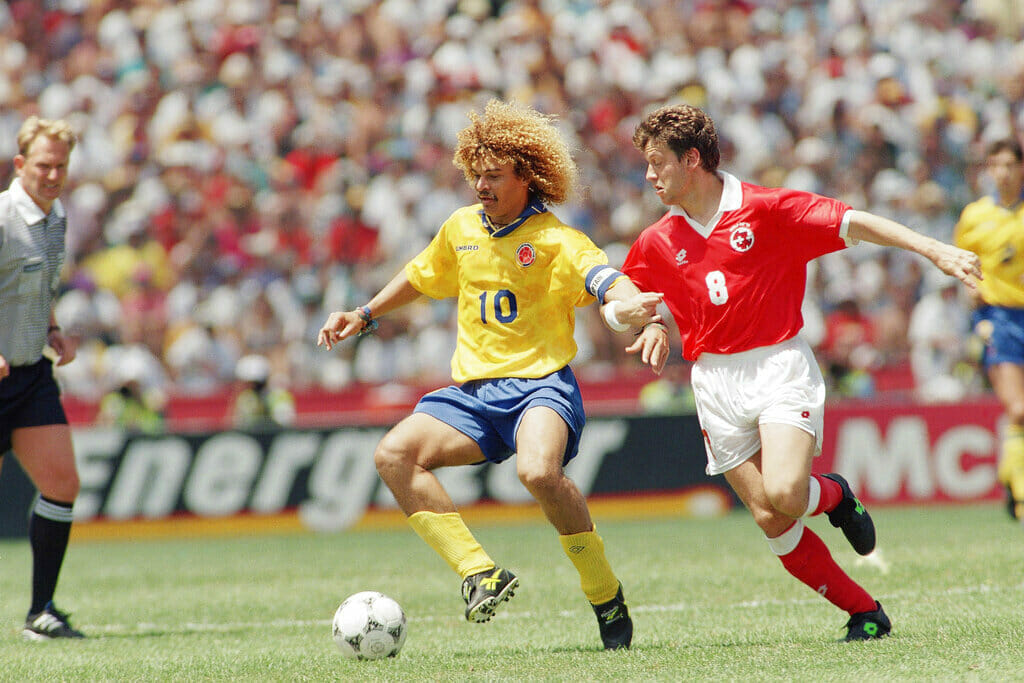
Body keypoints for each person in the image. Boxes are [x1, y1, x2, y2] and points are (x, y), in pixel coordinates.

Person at [612, 103, 981, 642]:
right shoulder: (657, 239)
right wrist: (642, 322)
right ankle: (866, 613)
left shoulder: (766, 209)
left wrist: (934, 249)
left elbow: (854, 222)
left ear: (691, 160)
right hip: (713, 380)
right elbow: (621, 297)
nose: (648, 176)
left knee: (787, 491)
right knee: (771, 520)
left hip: (777, 365)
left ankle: (834, 494)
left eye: (656, 163)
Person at [318, 99, 662, 650]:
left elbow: (606, 279)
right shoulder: (460, 228)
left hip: (543, 386)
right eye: (476, 174)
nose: (481, 185)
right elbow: (419, 275)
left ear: (527, 176)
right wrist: (364, 315)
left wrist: (632, 306)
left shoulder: (555, 240)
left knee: (538, 473)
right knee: (392, 455)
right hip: (475, 394)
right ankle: (479, 572)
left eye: (494, 175)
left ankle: (604, 592)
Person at [0, 116, 85, 639]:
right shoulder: (4, 218)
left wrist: (53, 328)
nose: (53, 175)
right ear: (19, 165)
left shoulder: (55, 219)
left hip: (30, 374)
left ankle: (41, 611)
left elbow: (37, 286)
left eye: (61, 165)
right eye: (43, 165)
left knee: (61, 483)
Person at [953, 137, 1024, 520]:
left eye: (1010, 164)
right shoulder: (975, 216)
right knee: (1018, 408)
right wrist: (976, 314)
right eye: (996, 164)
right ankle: (1021, 494)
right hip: (1000, 318)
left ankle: (1009, 475)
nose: (1003, 172)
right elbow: (962, 266)